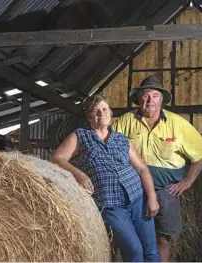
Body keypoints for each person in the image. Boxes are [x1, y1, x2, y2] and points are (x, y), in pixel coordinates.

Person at [111, 75, 202, 262]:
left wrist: (187, 182)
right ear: (139, 98)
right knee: (129, 236)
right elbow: (109, 149)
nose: (150, 100)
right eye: (145, 95)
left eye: (155, 95)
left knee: (163, 237)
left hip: (166, 191)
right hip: (132, 191)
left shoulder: (178, 124)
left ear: (161, 100)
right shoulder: (125, 121)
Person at [51, 94, 161, 262]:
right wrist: (78, 174)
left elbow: (142, 168)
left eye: (104, 109)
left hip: (137, 198)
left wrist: (152, 197)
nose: (101, 114)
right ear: (89, 117)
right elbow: (57, 158)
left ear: (110, 113)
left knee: (151, 251)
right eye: (95, 111)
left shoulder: (122, 139)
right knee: (134, 250)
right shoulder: (80, 136)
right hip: (110, 204)